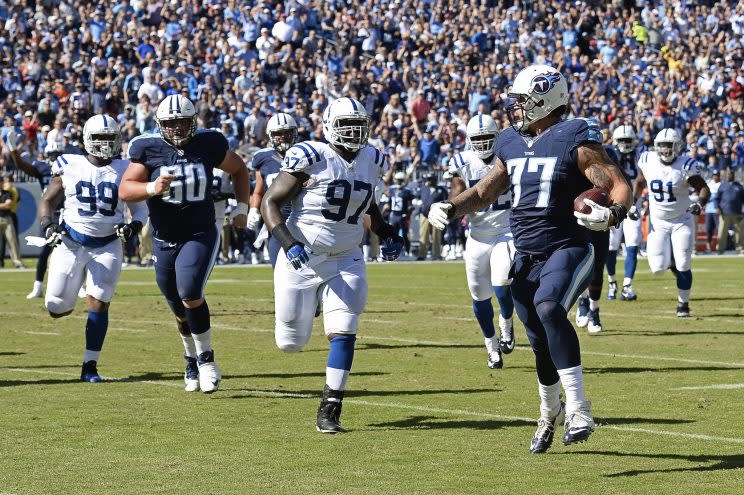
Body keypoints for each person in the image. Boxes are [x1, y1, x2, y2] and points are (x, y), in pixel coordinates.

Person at [427, 65, 632, 453]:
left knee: (550, 307)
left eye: (521, 101)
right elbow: (485, 191)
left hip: (569, 245)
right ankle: (547, 413)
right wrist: (451, 208)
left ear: (545, 98)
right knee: (538, 341)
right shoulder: (509, 141)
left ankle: (580, 409)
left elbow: (616, 182)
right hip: (526, 253)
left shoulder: (574, 136)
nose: (515, 108)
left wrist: (614, 212)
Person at [261, 97, 403, 433]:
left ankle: (331, 406)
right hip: (303, 256)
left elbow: (368, 205)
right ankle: (311, 304)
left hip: (347, 256)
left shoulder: (373, 158)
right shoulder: (312, 156)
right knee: (290, 342)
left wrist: (386, 233)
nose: (354, 133)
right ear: (329, 127)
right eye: (346, 126)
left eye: (359, 126)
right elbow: (271, 201)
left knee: (345, 328)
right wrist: (288, 243)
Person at [119, 94, 250, 393]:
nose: (176, 128)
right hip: (164, 238)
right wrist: (152, 187)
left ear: (193, 121)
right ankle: (190, 356)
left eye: (181, 122)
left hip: (199, 232)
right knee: (178, 307)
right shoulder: (147, 147)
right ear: (159, 125)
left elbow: (239, 168)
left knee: (190, 291)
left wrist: (242, 208)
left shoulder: (209, 143)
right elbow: (126, 189)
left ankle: (206, 358)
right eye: (170, 123)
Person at [38, 114, 147, 381]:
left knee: (99, 302)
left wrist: (132, 227)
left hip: (108, 244)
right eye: (99, 138)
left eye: (110, 138)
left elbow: (140, 207)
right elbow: (48, 200)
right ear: (87, 139)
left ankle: (90, 366)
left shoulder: (126, 167)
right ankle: (70, 292)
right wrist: (47, 225)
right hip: (71, 242)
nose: (105, 143)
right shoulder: (69, 163)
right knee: (56, 307)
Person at [447, 114, 515, 368]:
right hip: (477, 236)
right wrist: (448, 207)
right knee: (480, 296)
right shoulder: (462, 162)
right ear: (469, 140)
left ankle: (507, 323)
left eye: (488, 137)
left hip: (506, 231)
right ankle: (491, 346)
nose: (484, 143)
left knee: (502, 284)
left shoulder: (507, 157)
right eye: (479, 138)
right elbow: (456, 190)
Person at [634, 129, 710, 317]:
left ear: (678, 147)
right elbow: (640, 182)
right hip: (658, 222)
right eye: (663, 145)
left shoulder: (686, 165)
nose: (666, 150)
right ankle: (673, 262)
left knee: (684, 263)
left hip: (681, 220)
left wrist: (699, 203)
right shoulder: (647, 160)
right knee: (658, 267)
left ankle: (683, 304)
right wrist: (632, 203)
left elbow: (704, 188)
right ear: (656, 147)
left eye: (670, 145)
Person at [4, 130, 66, 296]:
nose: (54, 157)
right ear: (46, 155)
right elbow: (22, 166)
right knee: (45, 251)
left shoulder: (70, 168)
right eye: (52, 154)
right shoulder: (43, 168)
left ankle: (79, 287)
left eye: (57, 154)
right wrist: (12, 148)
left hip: (68, 213)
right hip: (50, 214)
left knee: (75, 251)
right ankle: (38, 287)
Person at [246, 112, 299, 267]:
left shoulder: (307, 153)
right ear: (270, 135)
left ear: (294, 133)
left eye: (287, 132)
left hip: (304, 221)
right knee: (279, 271)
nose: (283, 137)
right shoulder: (262, 157)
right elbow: (258, 191)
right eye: (278, 134)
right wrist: (253, 209)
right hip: (277, 223)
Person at [604, 125, 645, 301]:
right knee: (611, 246)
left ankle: (627, 284)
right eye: (622, 140)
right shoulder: (608, 153)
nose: (626, 144)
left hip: (635, 204)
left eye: (628, 140)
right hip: (614, 203)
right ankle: (612, 282)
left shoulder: (642, 155)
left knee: (633, 243)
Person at [416, 173, 447, 261]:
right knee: (423, 235)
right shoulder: (423, 189)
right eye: (427, 179)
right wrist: (418, 202)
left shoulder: (441, 190)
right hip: (424, 215)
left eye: (430, 179)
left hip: (437, 215)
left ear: (435, 180)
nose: (428, 181)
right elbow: (417, 198)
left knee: (436, 236)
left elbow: (446, 201)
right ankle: (422, 255)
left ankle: (436, 255)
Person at [716, 168, 744, 254]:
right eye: (728, 174)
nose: (729, 175)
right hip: (724, 212)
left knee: (739, 232)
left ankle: (739, 248)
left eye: (731, 174)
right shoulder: (722, 185)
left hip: (737, 212)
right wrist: (718, 208)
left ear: (733, 175)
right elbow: (717, 199)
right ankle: (720, 249)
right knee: (722, 232)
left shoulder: (739, 186)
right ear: (725, 175)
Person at [0, 173, 23, 268]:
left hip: (7, 218)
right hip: (6, 216)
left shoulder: (8, 193)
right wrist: (3, 205)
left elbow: (8, 205)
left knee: (12, 241)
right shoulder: (10, 190)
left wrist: (4, 206)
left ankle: (17, 262)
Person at [704, 170, 721, 252]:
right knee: (708, 229)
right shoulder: (709, 184)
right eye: (714, 175)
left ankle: (718, 245)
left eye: (717, 175)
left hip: (717, 210)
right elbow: (705, 195)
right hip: (709, 210)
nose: (715, 177)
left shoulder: (721, 184)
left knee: (718, 229)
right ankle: (708, 246)